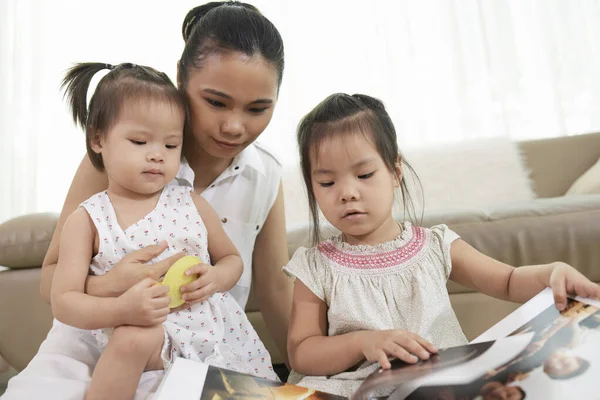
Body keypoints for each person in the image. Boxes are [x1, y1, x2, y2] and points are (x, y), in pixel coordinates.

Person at [4, 2, 291, 399]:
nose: (234, 126)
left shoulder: (267, 174)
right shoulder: (118, 160)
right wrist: (110, 286)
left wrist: (304, 368)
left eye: (259, 108)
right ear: (181, 78)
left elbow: (274, 288)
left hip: (207, 346)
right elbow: (54, 282)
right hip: (104, 343)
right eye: (216, 102)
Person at [283, 93, 600, 398]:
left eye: (364, 174)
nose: (347, 192)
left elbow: (507, 280)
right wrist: (362, 343)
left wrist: (551, 273)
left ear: (395, 172)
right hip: (354, 391)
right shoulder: (316, 266)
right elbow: (302, 351)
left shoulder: (434, 246)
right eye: (327, 182)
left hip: (439, 387)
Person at [61, 61, 278, 399]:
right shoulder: (89, 219)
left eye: (171, 145)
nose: (157, 156)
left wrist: (216, 278)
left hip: (209, 332)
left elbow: (231, 259)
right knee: (134, 336)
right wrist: (120, 309)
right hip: (141, 335)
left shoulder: (189, 201)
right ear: (98, 139)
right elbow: (64, 301)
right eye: (139, 141)